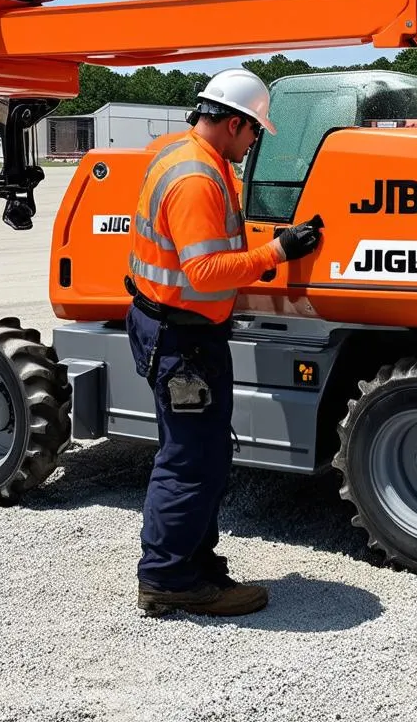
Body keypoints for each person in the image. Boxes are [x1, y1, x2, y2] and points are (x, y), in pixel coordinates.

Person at [126, 68, 323, 617]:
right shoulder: (196, 179)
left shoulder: (182, 155)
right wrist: (276, 253)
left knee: (199, 455)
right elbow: (208, 270)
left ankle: (194, 564)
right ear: (233, 123)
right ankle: (169, 579)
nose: (254, 142)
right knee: (191, 461)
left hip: (173, 329)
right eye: (254, 131)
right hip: (182, 340)